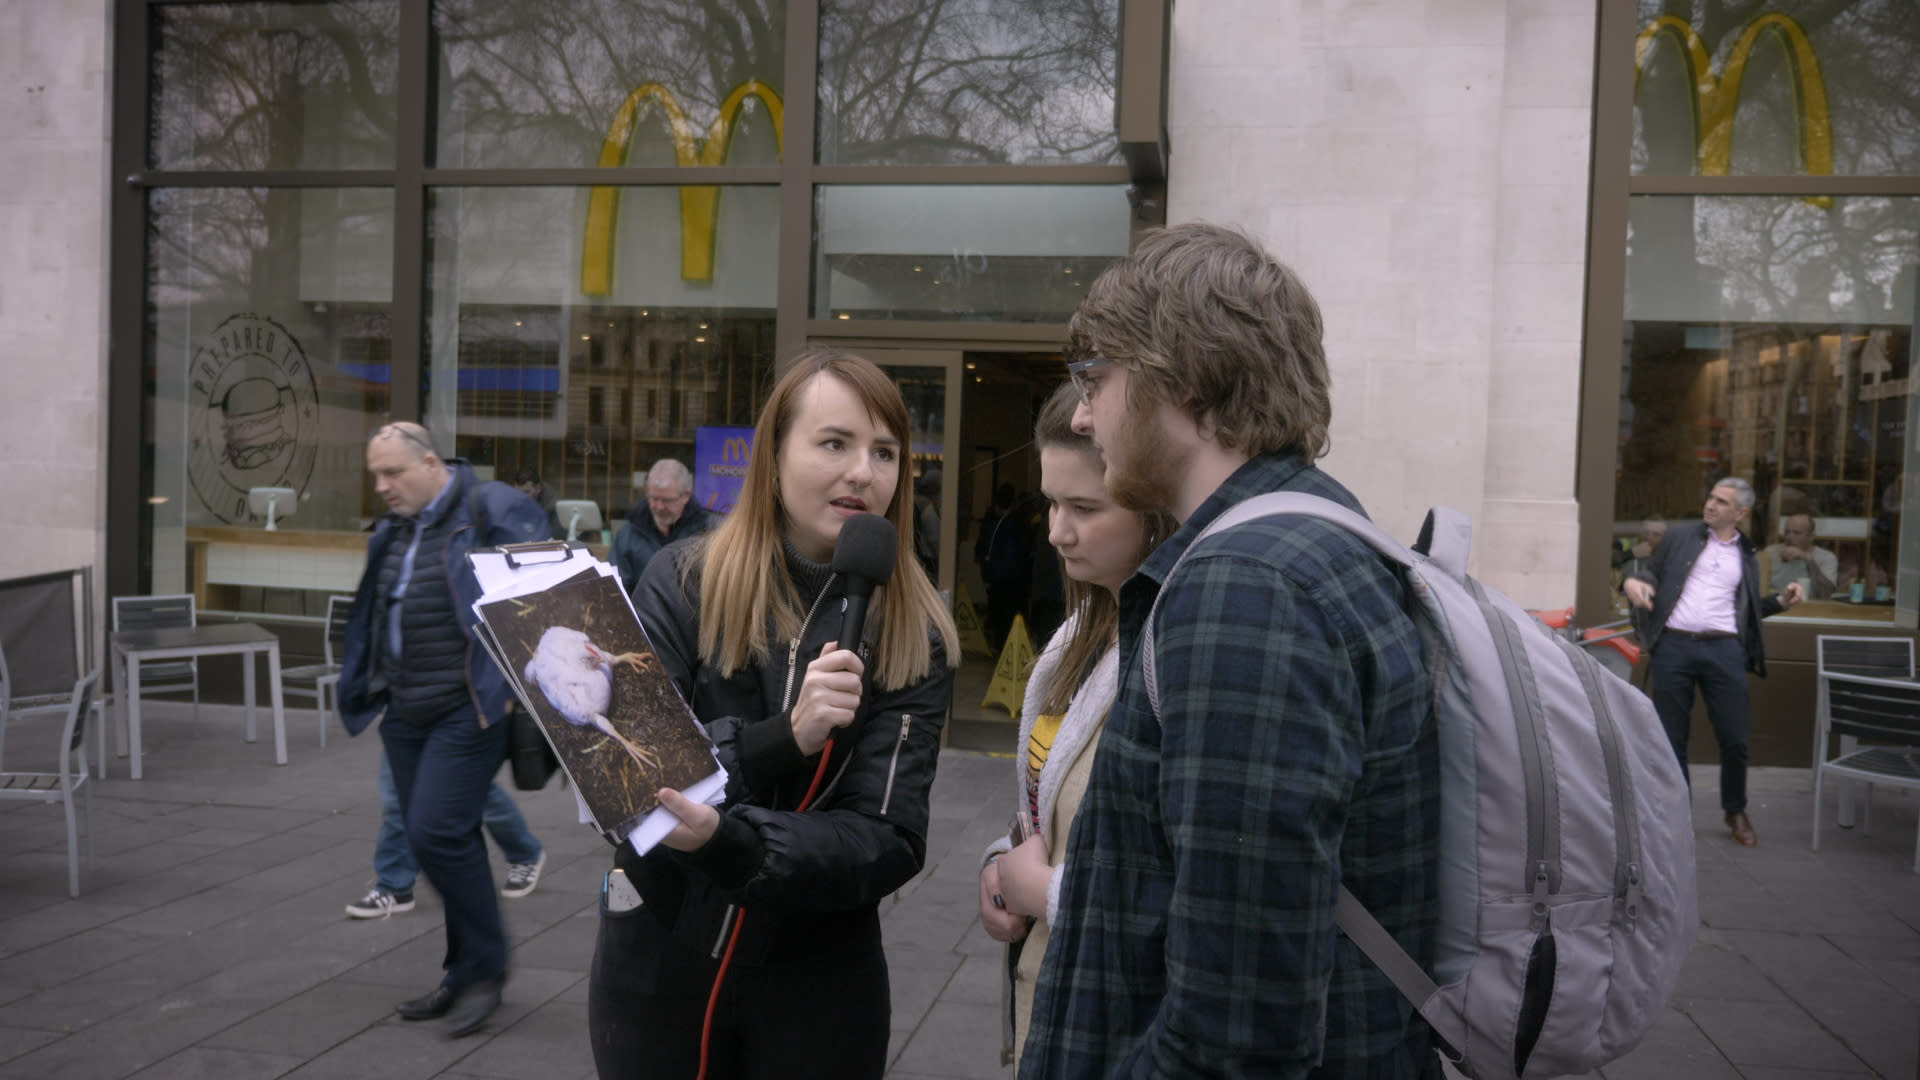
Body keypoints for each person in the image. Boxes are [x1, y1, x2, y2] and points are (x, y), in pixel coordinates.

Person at [1020, 223, 1441, 1078]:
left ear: (1185, 380)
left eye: (1098, 379)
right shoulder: (1311, 537)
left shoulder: (1246, 589)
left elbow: (1238, 1033)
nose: (1083, 413)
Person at [588, 349, 959, 1080]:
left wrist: (736, 843)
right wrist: (778, 740)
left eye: (885, 452)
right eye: (834, 442)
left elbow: (887, 838)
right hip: (661, 956)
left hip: (820, 978)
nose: (864, 471)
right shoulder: (682, 579)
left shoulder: (919, 630)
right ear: (774, 456)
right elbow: (631, 772)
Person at [977, 383, 1174, 1069]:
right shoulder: (1074, 642)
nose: (1058, 530)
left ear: (1155, 508)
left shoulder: (1173, 652)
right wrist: (998, 867)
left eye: (1085, 507)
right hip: (1049, 1008)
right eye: (1051, 503)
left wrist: (1049, 892)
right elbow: (1047, 811)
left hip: (1115, 1030)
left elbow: (1208, 889)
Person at [338, 422, 550, 1037]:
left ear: (430, 463)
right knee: (440, 838)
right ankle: (463, 973)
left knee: (434, 831)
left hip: (471, 706)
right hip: (405, 709)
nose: (382, 486)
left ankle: (486, 971)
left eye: (393, 473)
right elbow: (373, 612)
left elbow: (543, 597)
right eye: (375, 476)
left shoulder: (494, 508)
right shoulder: (396, 529)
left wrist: (516, 691)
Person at [1625, 477, 1804, 848]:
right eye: (1711, 497)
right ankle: (1677, 817)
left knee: (1734, 737)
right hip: (1673, 646)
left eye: (1722, 502)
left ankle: (1735, 809)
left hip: (1723, 651)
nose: (1711, 505)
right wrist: (1633, 583)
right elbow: (1650, 573)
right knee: (1671, 738)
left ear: (1739, 513)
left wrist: (1782, 602)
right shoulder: (1680, 537)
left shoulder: (1747, 555)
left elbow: (1750, 608)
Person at [344, 750, 547, 918]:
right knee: (397, 796)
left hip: (458, 711)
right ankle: (395, 886)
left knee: (470, 788)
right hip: (404, 709)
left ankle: (524, 852)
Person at [610, 457, 717, 592]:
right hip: (639, 611)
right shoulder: (628, 533)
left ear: (686, 496)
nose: (659, 507)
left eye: (667, 500)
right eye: (654, 498)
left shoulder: (709, 532)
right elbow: (615, 587)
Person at [1760, 512, 1837, 601]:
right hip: (1776, 607)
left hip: (1810, 610)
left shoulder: (1826, 557)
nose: (1789, 537)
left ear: (1811, 537)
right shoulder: (1771, 552)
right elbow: (1759, 588)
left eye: (1796, 533)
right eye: (1787, 532)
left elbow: (1826, 593)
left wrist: (1808, 560)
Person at [511, 467, 563, 540]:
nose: (520, 497)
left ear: (538, 488)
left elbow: (557, 535)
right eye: (517, 492)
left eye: (526, 492)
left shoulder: (552, 505)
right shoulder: (513, 498)